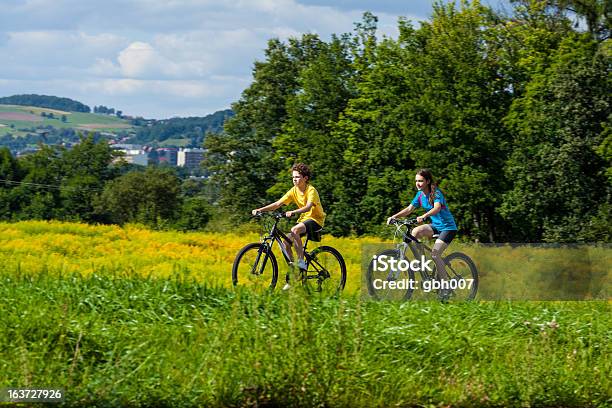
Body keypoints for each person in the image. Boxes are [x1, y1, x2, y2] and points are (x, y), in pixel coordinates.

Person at [252, 163, 326, 290]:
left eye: (297, 177)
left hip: (315, 220)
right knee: (286, 242)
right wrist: (261, 209)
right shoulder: (293, 191)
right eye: (293, 177)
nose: (294, 180)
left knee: (294, 230)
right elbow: (278, 203)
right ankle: (295, 273)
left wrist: (293, 212)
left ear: (305, 178)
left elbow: (308, 207)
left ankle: (301, 263)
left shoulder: (311, 190)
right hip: (303, 220)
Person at [387, 169, 457, 297]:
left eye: (420, 181)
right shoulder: (419, 195)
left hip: (448, 228)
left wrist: (424, 216)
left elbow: (437, 208)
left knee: (435, 255)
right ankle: (423, 266)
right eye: (416, 181)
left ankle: (446, 287)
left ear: (428, 181)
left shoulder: (436, 193)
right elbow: (409, 209)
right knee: (415, 231)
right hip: (435, 226)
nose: (418, 184)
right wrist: (394, 216)